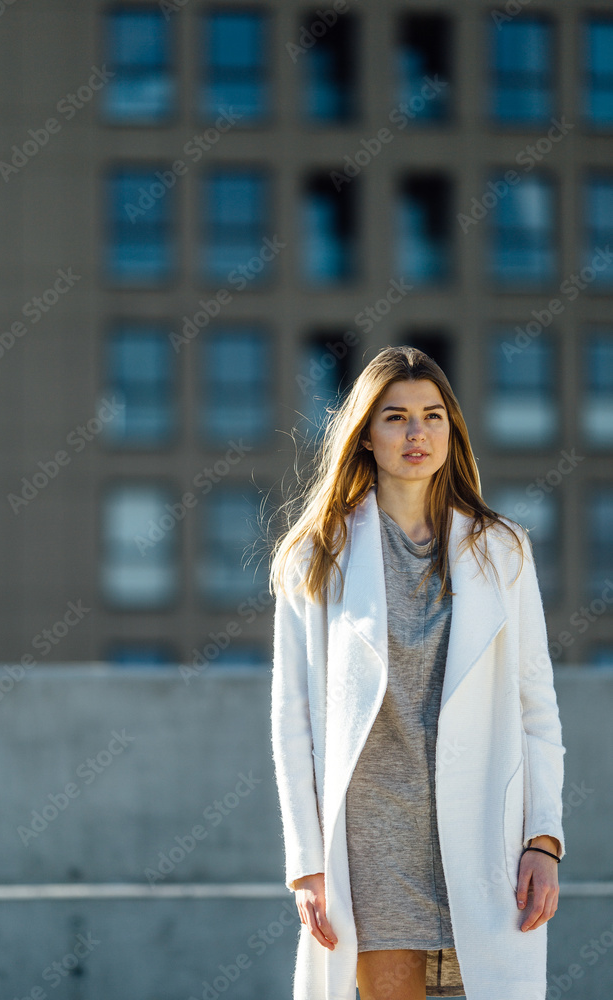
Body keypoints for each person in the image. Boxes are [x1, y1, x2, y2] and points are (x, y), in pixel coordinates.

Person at [269, 346, 565, 1000]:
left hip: (485, 841)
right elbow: (291, 723)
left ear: (451, 431)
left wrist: (542, 840)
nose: (416, 433)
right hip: (369, 851)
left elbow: (534, 708)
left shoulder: (501, 550)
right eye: (395, 417)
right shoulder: (317, 556)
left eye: (432, 416)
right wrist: (305, 868)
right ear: (366, 438)